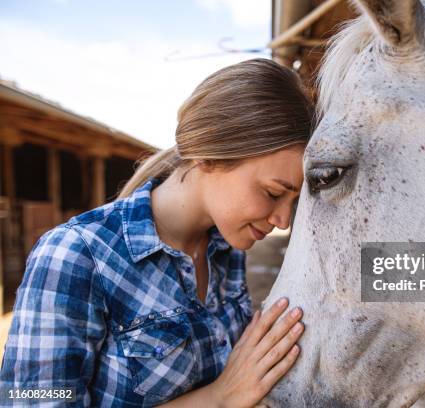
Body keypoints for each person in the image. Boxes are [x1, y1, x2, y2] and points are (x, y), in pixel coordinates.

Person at [0, 58, 313, 407]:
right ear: (209, 156)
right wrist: (219, 397)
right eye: (273, 193)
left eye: (294, 200)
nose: (284, 220)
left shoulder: (226, 250)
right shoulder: (75, 255)